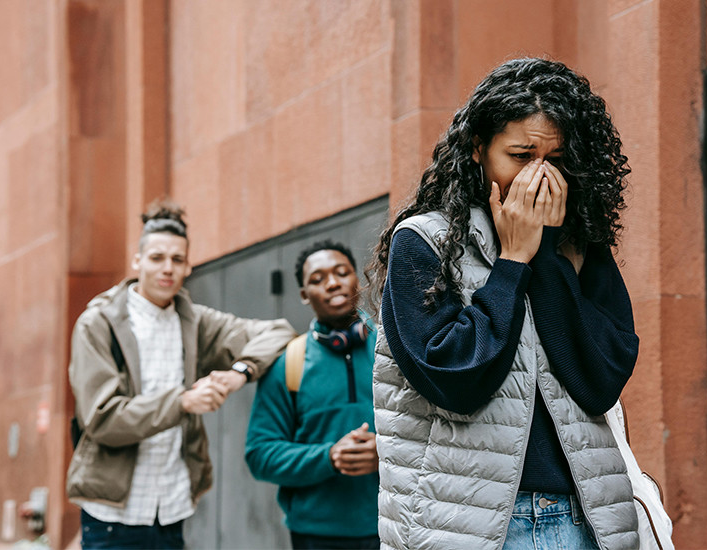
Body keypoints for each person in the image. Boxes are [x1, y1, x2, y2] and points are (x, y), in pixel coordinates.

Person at [367, 57, 641, 549]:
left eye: (556, 160)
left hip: (581, 517)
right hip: (467, 526)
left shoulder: (579, 245)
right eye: (521, 155)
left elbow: (600, 381)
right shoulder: (426, 241)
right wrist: (513, 262)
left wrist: (549, 255)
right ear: (478, 149)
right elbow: (456, 380)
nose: (538, 176)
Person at [66, 199, 295, 549]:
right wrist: (184, 401)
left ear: (188, 266)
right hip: (113, 517)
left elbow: (278, 332)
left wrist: (239, 373)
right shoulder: (98, 325)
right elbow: (102, 419)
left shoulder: (194, 322)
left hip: (172, 510)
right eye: (157, 258)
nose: (167, 268)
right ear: (137, 261)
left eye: (177, 259)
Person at [245, 240, 380, 550]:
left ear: (356, 279)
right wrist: (328, 457)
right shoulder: (288, 363)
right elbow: (260, 454)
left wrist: (386, 452)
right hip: (315, 537)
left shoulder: (391, 348)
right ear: (305, 295)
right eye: (318, 279)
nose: (332, 283)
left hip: (393, 524)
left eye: (341, 273)